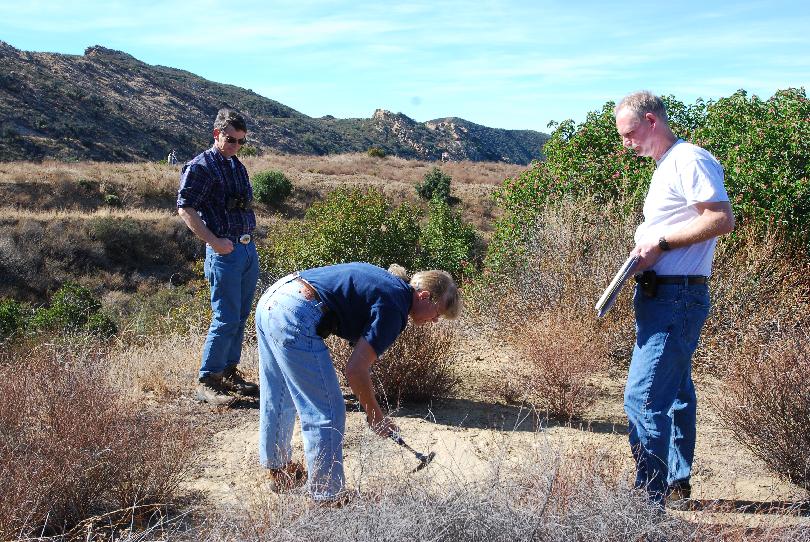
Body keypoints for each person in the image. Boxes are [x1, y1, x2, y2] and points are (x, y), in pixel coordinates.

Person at [614, 91, 735, 507]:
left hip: (676, 297)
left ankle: (648, 504)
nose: (626, 144)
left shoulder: (690, 159)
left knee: (643, 398)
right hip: (663, 295)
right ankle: (676, 483)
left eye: (629, 134)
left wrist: (660, 245)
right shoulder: (668, 165)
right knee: (677, 390)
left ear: (651, 120)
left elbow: (721, 219)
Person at [255, 262, 461, 504]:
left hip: (275, 297)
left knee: (278, 393)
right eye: (437, 314)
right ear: (425, 296)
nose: (434, 321)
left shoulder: (391, 287)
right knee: (327, 412)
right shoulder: (395, 306)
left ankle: (279, 471)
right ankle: (328, 496)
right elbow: (355, 369)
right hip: (296, 312)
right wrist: (375, 415)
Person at [177, 108, 259, 406]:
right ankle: (207, 380)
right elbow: (185, 208)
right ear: (217, 134)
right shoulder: (200, 166)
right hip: (225, 252)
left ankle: (228, 372)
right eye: (231, 139)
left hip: (247, 249)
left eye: (241, 141)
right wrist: (213, 241)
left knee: (240, 316)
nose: (236, 145)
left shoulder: (236, 165)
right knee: (225, 317)